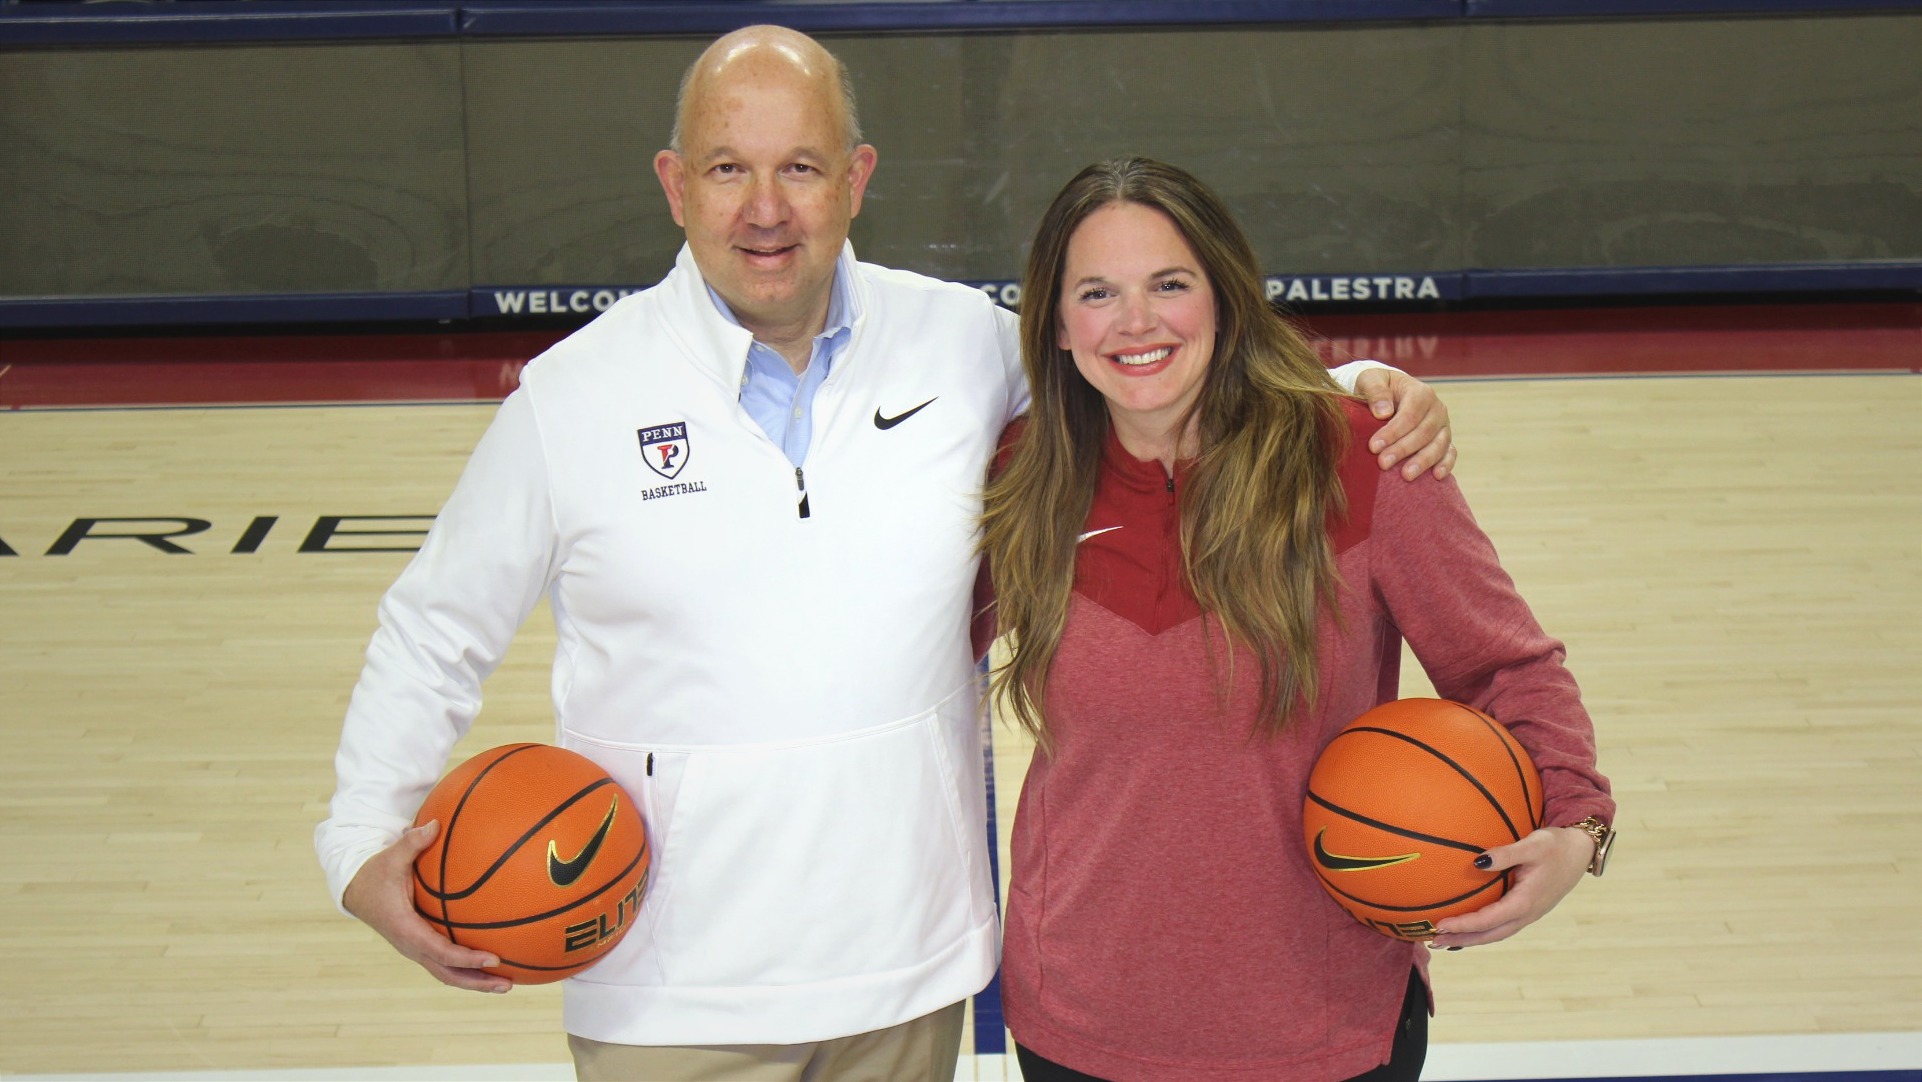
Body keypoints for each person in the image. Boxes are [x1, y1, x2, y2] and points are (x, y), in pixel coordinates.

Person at [315, 28, 1456, 1082]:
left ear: (857, 177)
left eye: (801, 168)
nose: (766, 209)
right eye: (727, 169)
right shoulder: (571, 398)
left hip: (907, 978)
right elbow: (435, 628)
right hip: (670, 986)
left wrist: (1345, 392)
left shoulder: (959, 343)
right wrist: (362, 836)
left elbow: (1144, 362)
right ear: (673, 183)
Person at [979, 157, 1616, 1082]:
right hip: (1079, 1017)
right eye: (1097, 293)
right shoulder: (1017, 480)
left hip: (1326, 1027)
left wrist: (1576, 825)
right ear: (1058, 325)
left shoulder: (1364, 456)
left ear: (1227, 297)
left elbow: (1505, 671)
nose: (1137, 321)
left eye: (1170, 284)